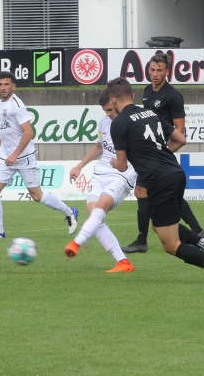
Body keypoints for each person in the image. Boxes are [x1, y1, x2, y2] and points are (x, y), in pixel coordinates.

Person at [107, 77, 204, 283]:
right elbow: (181, 139)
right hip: (175, 172)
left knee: (170, 245)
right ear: (132, 95)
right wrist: (161, 155)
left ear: (114, 100)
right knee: (162, 226)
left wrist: (113, 163)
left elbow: (123, 165)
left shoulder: (119, 123)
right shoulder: (150, 113)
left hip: (159, 180)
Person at [122, 51, 204, 254]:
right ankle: (198, 231)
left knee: (142, 192)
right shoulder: (146, 92)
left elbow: (180, 132)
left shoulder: (173, 96)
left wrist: (166, 151)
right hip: (152, 152)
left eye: (159, 70)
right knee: (169, 194)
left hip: (159, 154)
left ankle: (142, 240)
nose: (155, 74)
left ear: (167, 71)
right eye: (152, 69)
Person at [0, 70, 78, 239]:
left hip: (24, 157)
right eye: (0, 84)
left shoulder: (17, 105)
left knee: (36, 195)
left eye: (6, 84)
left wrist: (15, 155)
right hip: (5, 156)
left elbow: (28, 132)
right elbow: (5, 130)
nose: (3, 88)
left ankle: (70, 212)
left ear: (13, 86)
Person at [64, 90, 136, 273]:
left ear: (119, 103)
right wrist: (79, 166)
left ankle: (76, 242)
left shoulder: (132, 122)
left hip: (123, 172)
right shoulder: (104, 122)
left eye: (111, 110)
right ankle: (123, 262)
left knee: (101, 206)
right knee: (94, 212)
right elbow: (99, 147)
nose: (109, 114)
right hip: (101, 171)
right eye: (106, 111)